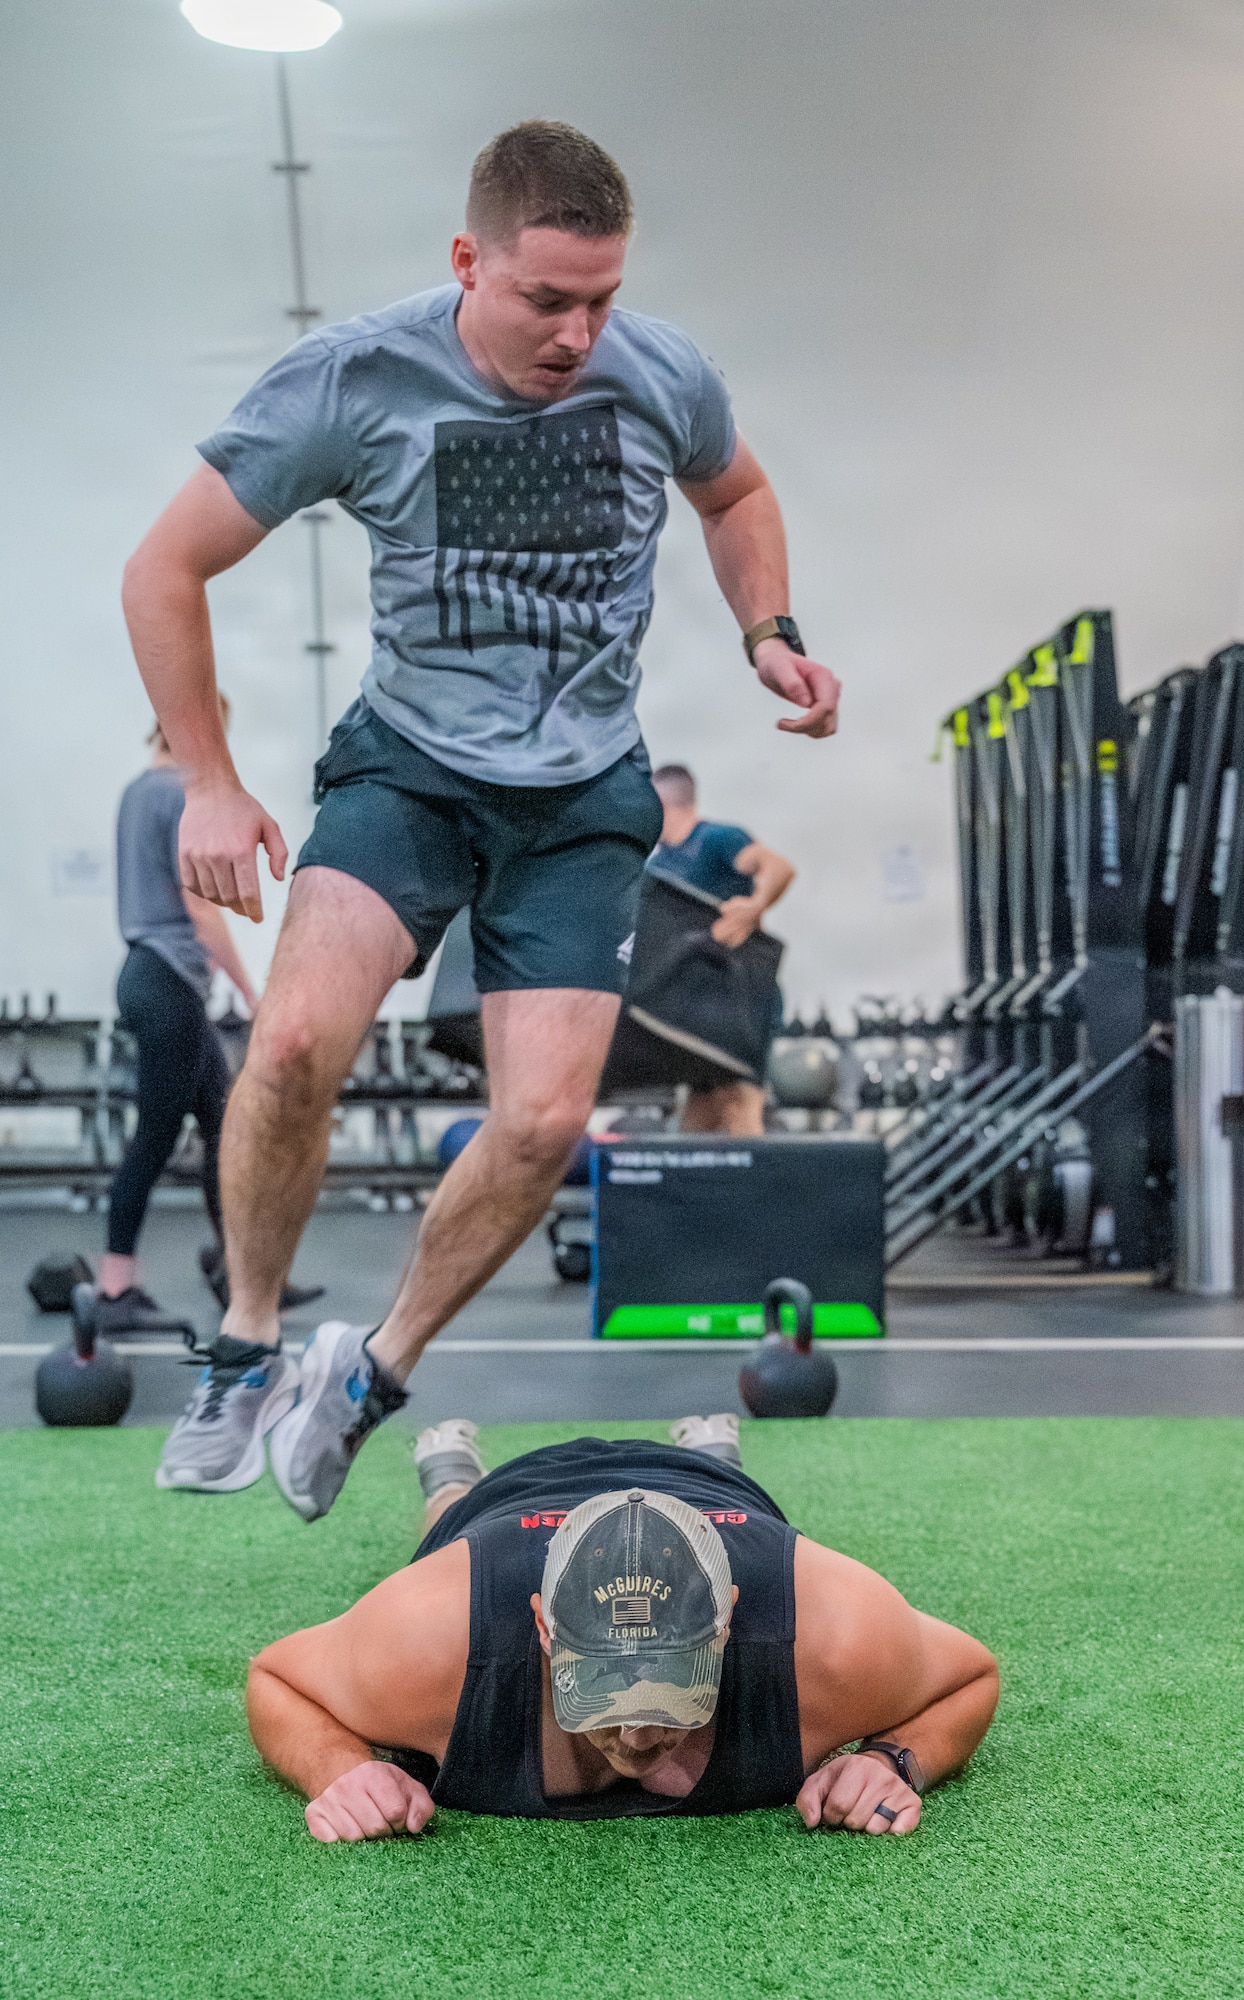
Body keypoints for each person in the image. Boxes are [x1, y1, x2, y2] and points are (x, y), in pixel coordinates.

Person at [124, 120, 840, 1510]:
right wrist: (210, 778)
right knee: (286, 1050)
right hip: (410, 769)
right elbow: (165, 567)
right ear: (469, 261)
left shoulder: (659, 373)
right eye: (545, 299)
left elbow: (733, 486)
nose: (577, 334)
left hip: (580, 796)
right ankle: (246, 1341)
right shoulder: (353, 379)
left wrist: (771, 629)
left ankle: (370, 1372)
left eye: (601, 300)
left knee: (538, 1126)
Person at [246, 1417, 999, 1841]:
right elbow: (274, 1676)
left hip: (712, 1501)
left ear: (726, 1621)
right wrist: (338, 1769)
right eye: (604, 1692)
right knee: (452, 1519)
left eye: (671, 1690)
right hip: (513, 1509)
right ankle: (450, 1472)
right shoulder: (428, 1640)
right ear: (543, 1630)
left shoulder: (832, 1638)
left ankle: (711, 1456)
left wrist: (894, 1758)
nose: (639, 1739)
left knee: (729, 1490)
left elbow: (972, 1674)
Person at [90, 701, 259, 1339]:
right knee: (156, 1138)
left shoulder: (137, 791)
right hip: (168, 981)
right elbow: (203, 908)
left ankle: (240, 1274)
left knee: (222, 1122)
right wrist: (250, 990)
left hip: (149, 975)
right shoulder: (183, 797)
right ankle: (114, 1287)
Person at [649, 762, 794, 1135]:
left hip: (742, 998)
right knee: (696, 1118)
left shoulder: (717, 839)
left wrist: (756, 905)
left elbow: (778, 867)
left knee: (738, 1105)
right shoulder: (660, 864)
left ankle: (755, 1193)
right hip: (699, 1005)